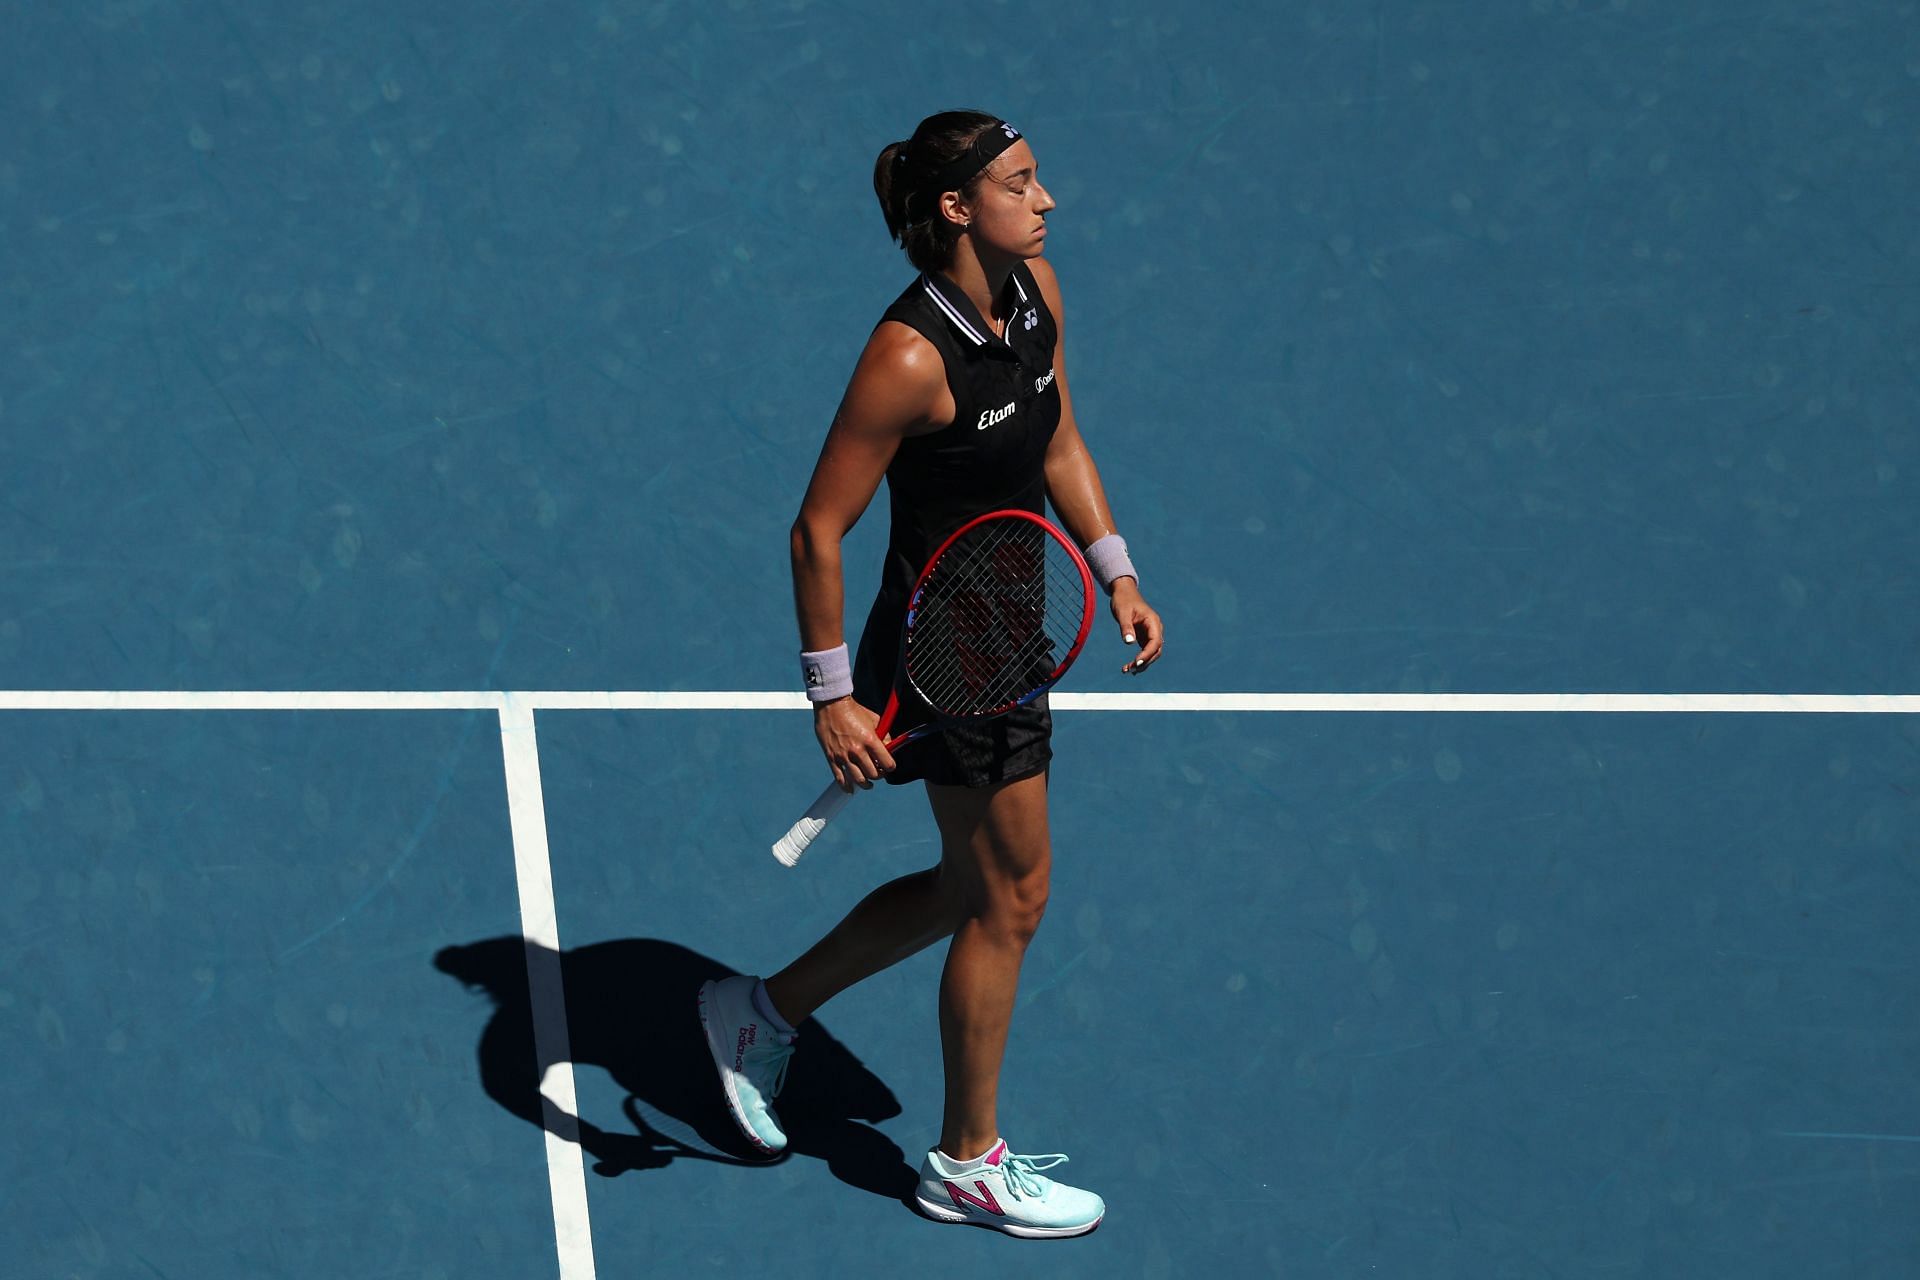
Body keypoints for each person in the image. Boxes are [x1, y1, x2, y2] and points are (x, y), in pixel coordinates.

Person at [698, 110, 1164, 1239]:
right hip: (947, 649)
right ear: (958, 207)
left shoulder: (1038, 293)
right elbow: (818, 529)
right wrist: (830, 695)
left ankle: (755, 1010)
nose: (1045, 199)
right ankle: (965, 1160)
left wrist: (1116, 570)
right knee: (1015, 895)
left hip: (1013, 617)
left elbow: (1058, 440)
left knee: (969, 886)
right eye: (1020, 182)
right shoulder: (909, 354)